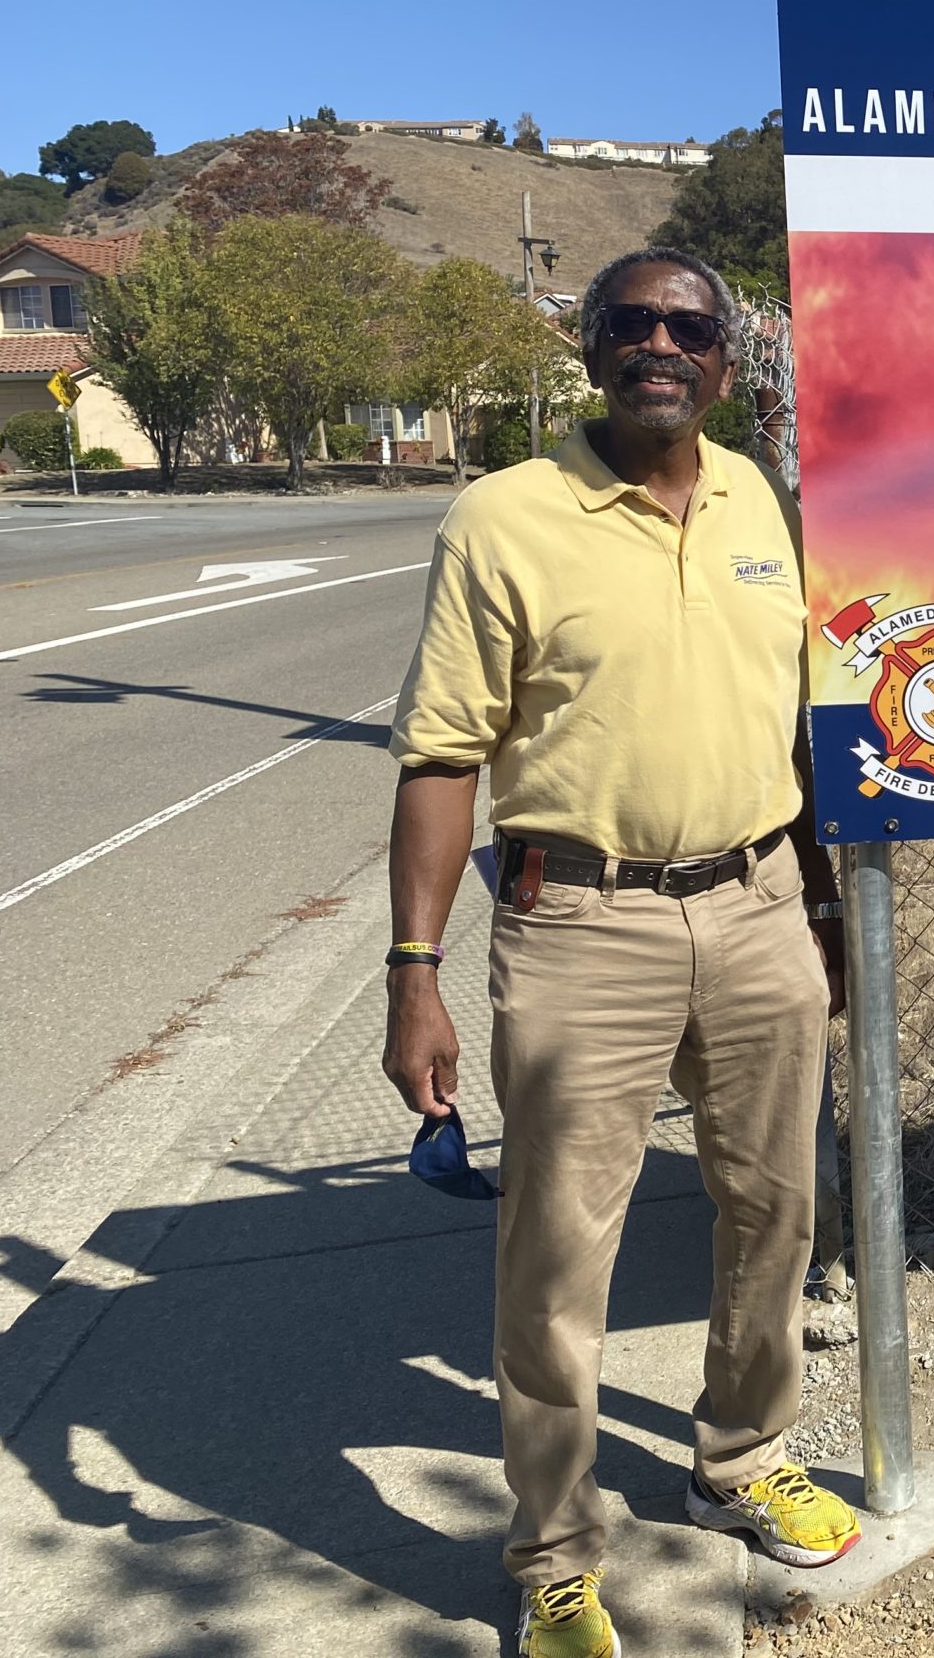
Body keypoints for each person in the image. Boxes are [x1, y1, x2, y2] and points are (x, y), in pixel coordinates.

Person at [381, 247, 858, 1657]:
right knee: (556, 1257)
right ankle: (553, 1551)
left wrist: (820, 907)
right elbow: (440, 753)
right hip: (583, 922)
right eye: (633, 322)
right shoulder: (502, 520)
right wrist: (415, 970)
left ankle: (745, 1455)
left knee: (778, 1208)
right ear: (590, 348)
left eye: (689, 327)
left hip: (763, 900)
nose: (663, 343)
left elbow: (792, 730)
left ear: (725, 363)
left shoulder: (759, 501)